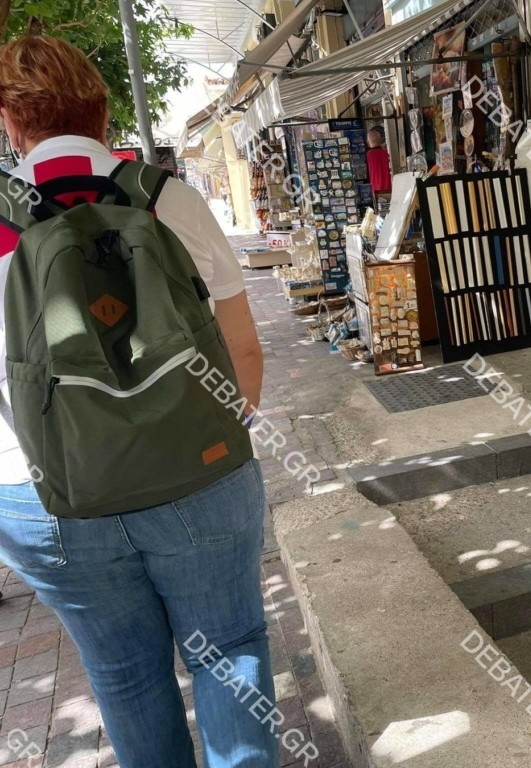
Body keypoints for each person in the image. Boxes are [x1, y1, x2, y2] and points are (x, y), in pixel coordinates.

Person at [0, 35, 274, 766]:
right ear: (101, 112)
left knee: (123, 675)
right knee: (229, 654)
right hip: (200, 472)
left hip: (46, 496)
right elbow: (244, 350)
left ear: (10, 122)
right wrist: (218, 435)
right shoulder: (171, 200)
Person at [366, 125, 392, 195]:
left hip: (376, 191)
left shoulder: (368, 155)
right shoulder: (387, 152)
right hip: (391, 188)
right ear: (381, 140)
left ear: (368, 142)